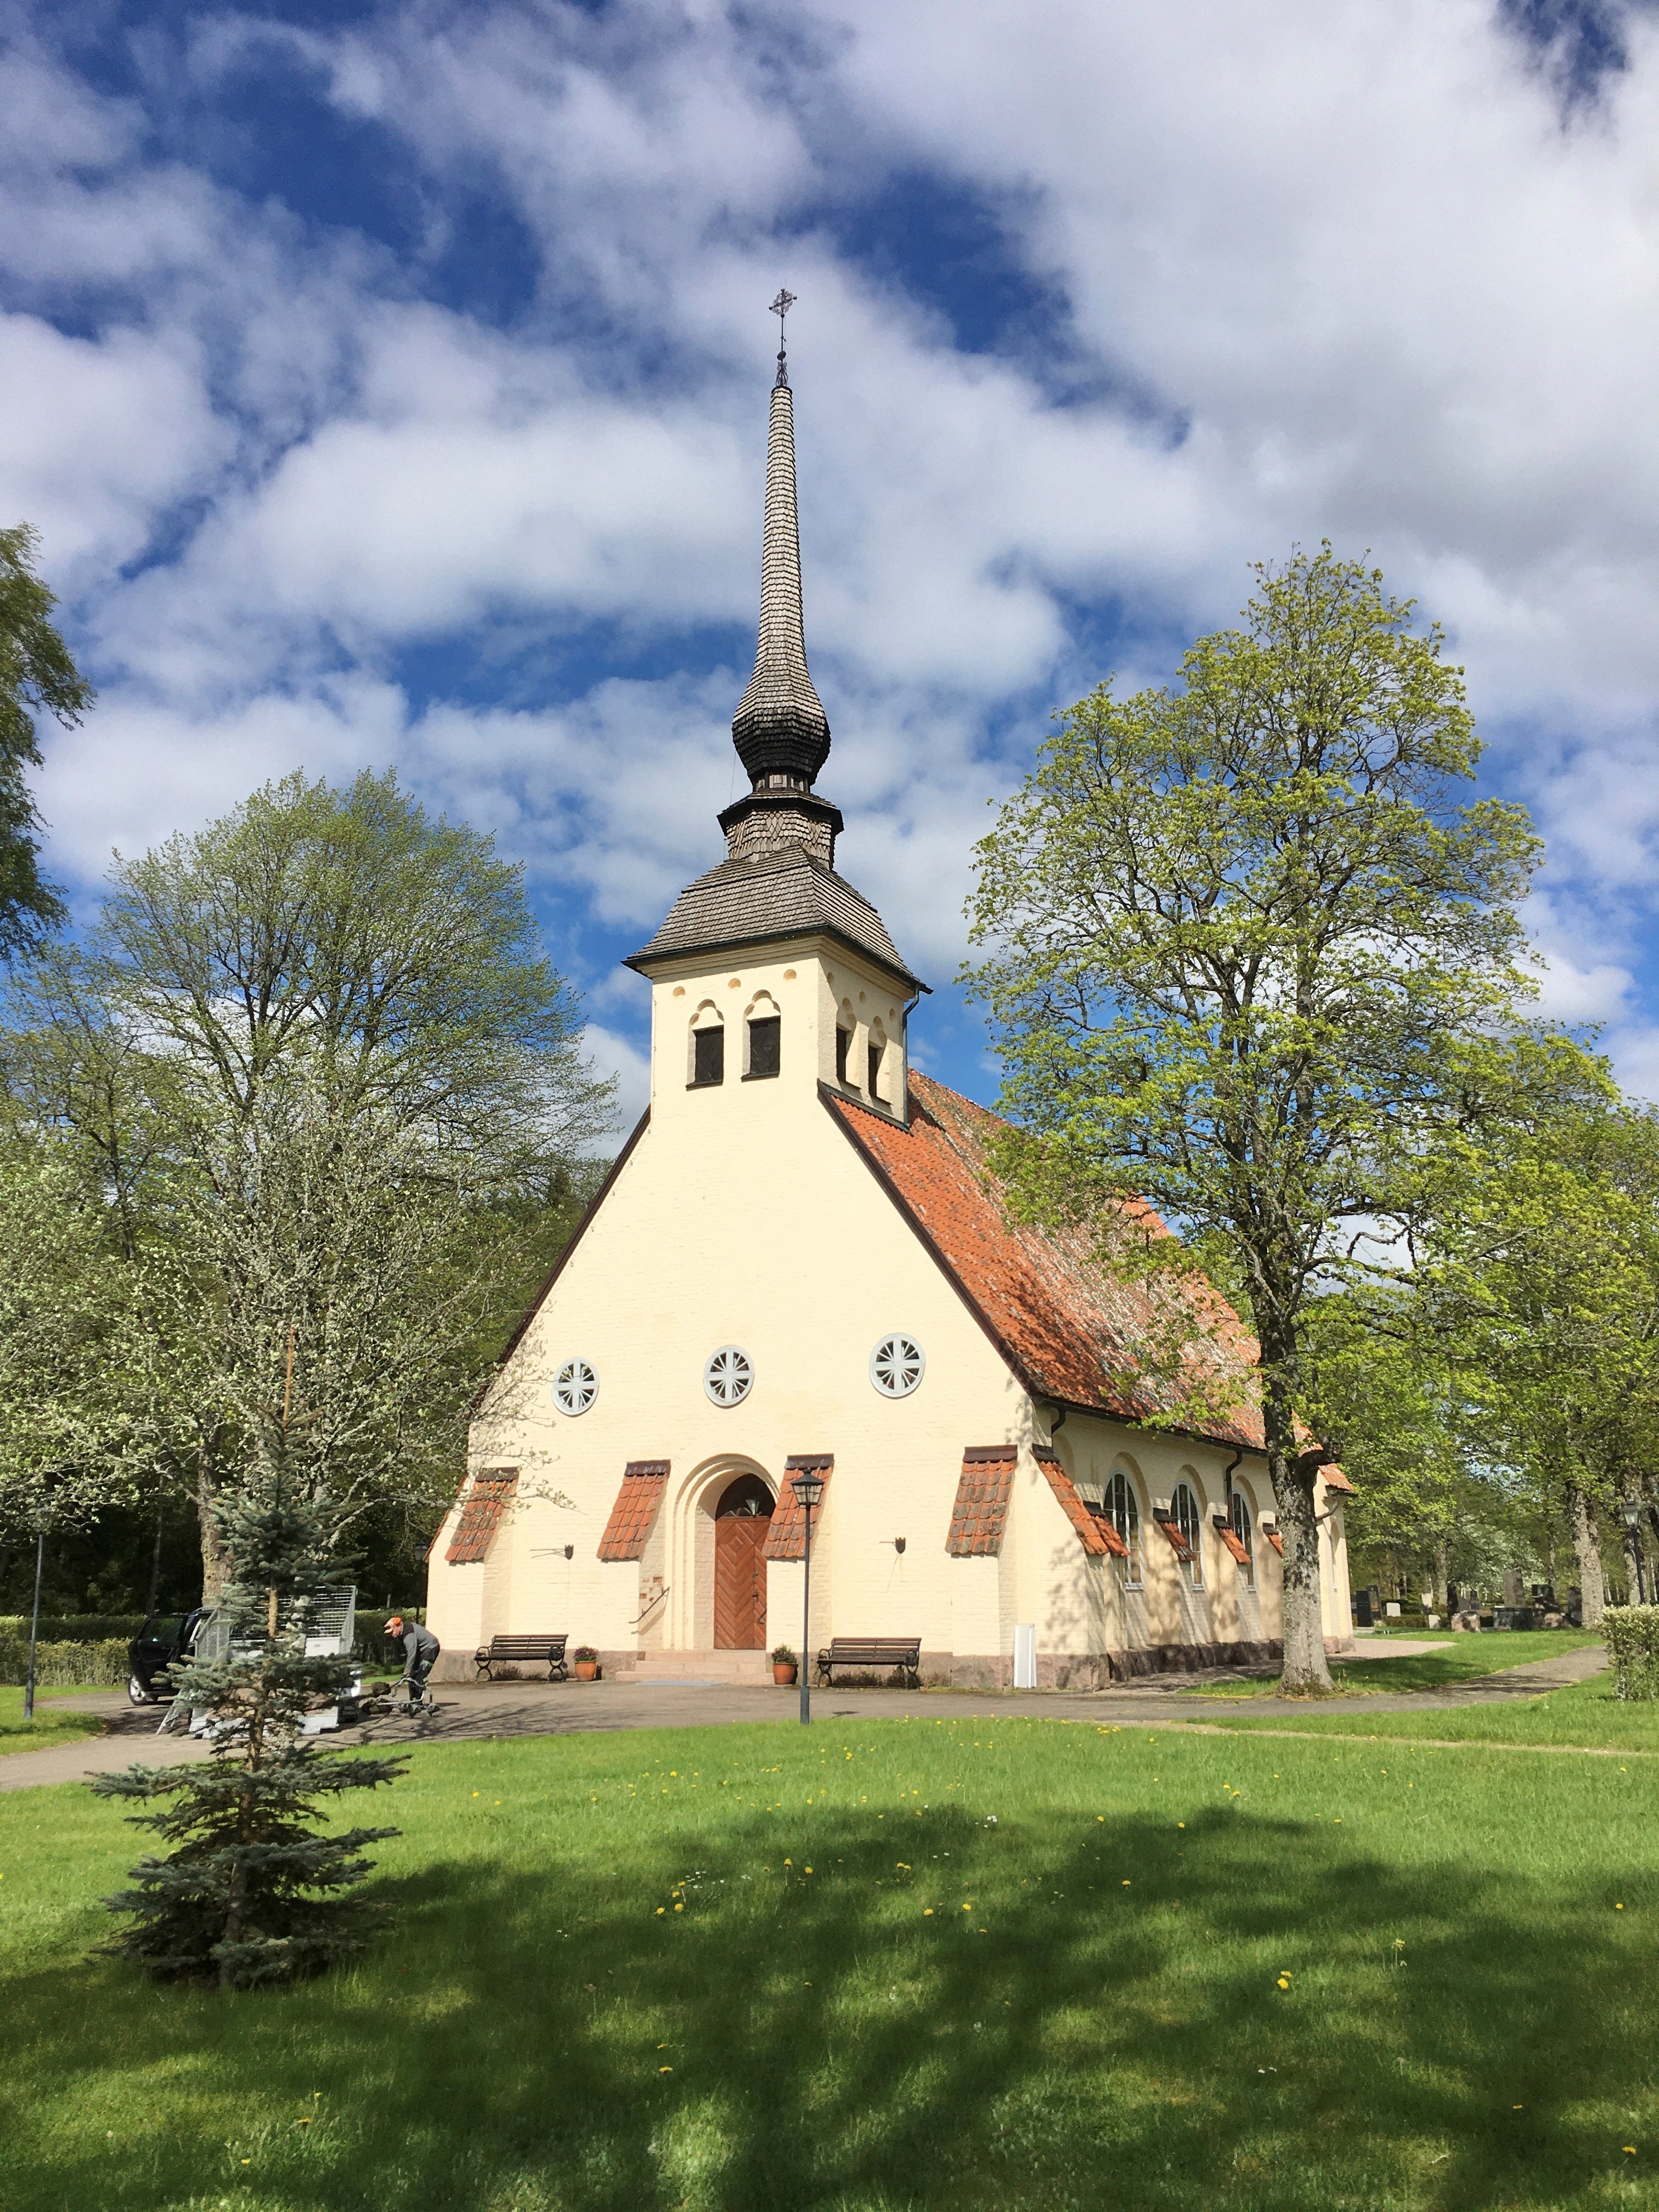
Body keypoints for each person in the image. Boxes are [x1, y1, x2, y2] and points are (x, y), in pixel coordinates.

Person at [383, 1615, 440, 1709]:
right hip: (421, 1650)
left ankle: (417, 1703)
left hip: (431, 1648)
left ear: (398, 1627)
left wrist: (407, 1670)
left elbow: (412, 1654)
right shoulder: (403, 1633)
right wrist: (409, 1672)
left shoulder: (408, 1634)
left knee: (419, 1675)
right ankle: (413, 1701)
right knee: (412, 1676)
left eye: (392, 1631)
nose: (392, 1635)